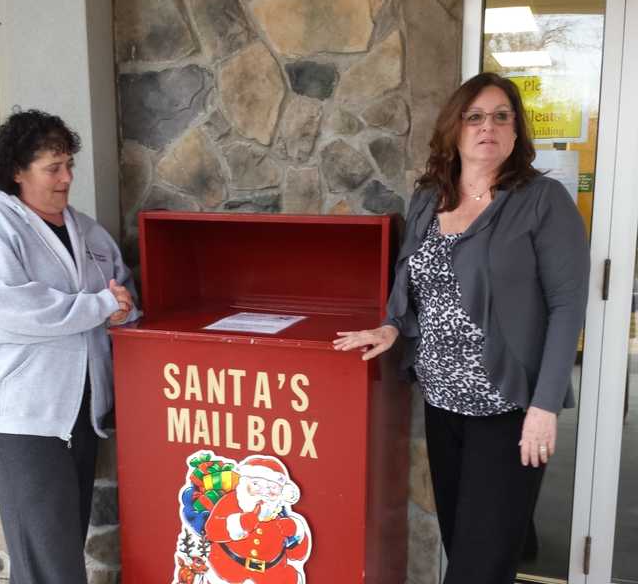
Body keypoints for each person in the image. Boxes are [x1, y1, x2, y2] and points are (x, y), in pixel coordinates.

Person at [333, 72, 590, 584]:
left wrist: (543, 407)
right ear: (455, 128)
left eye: (501, 116)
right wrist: (392, 328)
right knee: (463, 543)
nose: (486, 127)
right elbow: (415, 280)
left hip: (507, 408)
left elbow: (567, 307)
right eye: (474, 116)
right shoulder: (431, 196)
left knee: (477, 568)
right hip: (443, 405)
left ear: (517, 131)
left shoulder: (543, 201)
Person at [0, 110, 139, 584]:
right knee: (48, 553)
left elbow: (120, 291)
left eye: (69, 165)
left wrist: (121, 309)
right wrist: (96, 306)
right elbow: (7, 308)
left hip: (76, 407)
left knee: (58, 543)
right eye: (53, 168)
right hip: (18, 410)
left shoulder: (87, 231)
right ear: (17, 170)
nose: (67, 178)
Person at [204, 456, 311, 584]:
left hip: (270, 574)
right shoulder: (232, 502)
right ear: (245, 484)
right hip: (229, 569)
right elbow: (212, 531)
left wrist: (296, 533)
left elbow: (297, 555)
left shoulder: (280, 512)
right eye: (256, 484)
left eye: (272, 487)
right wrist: (240, 523)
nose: (264, 492)